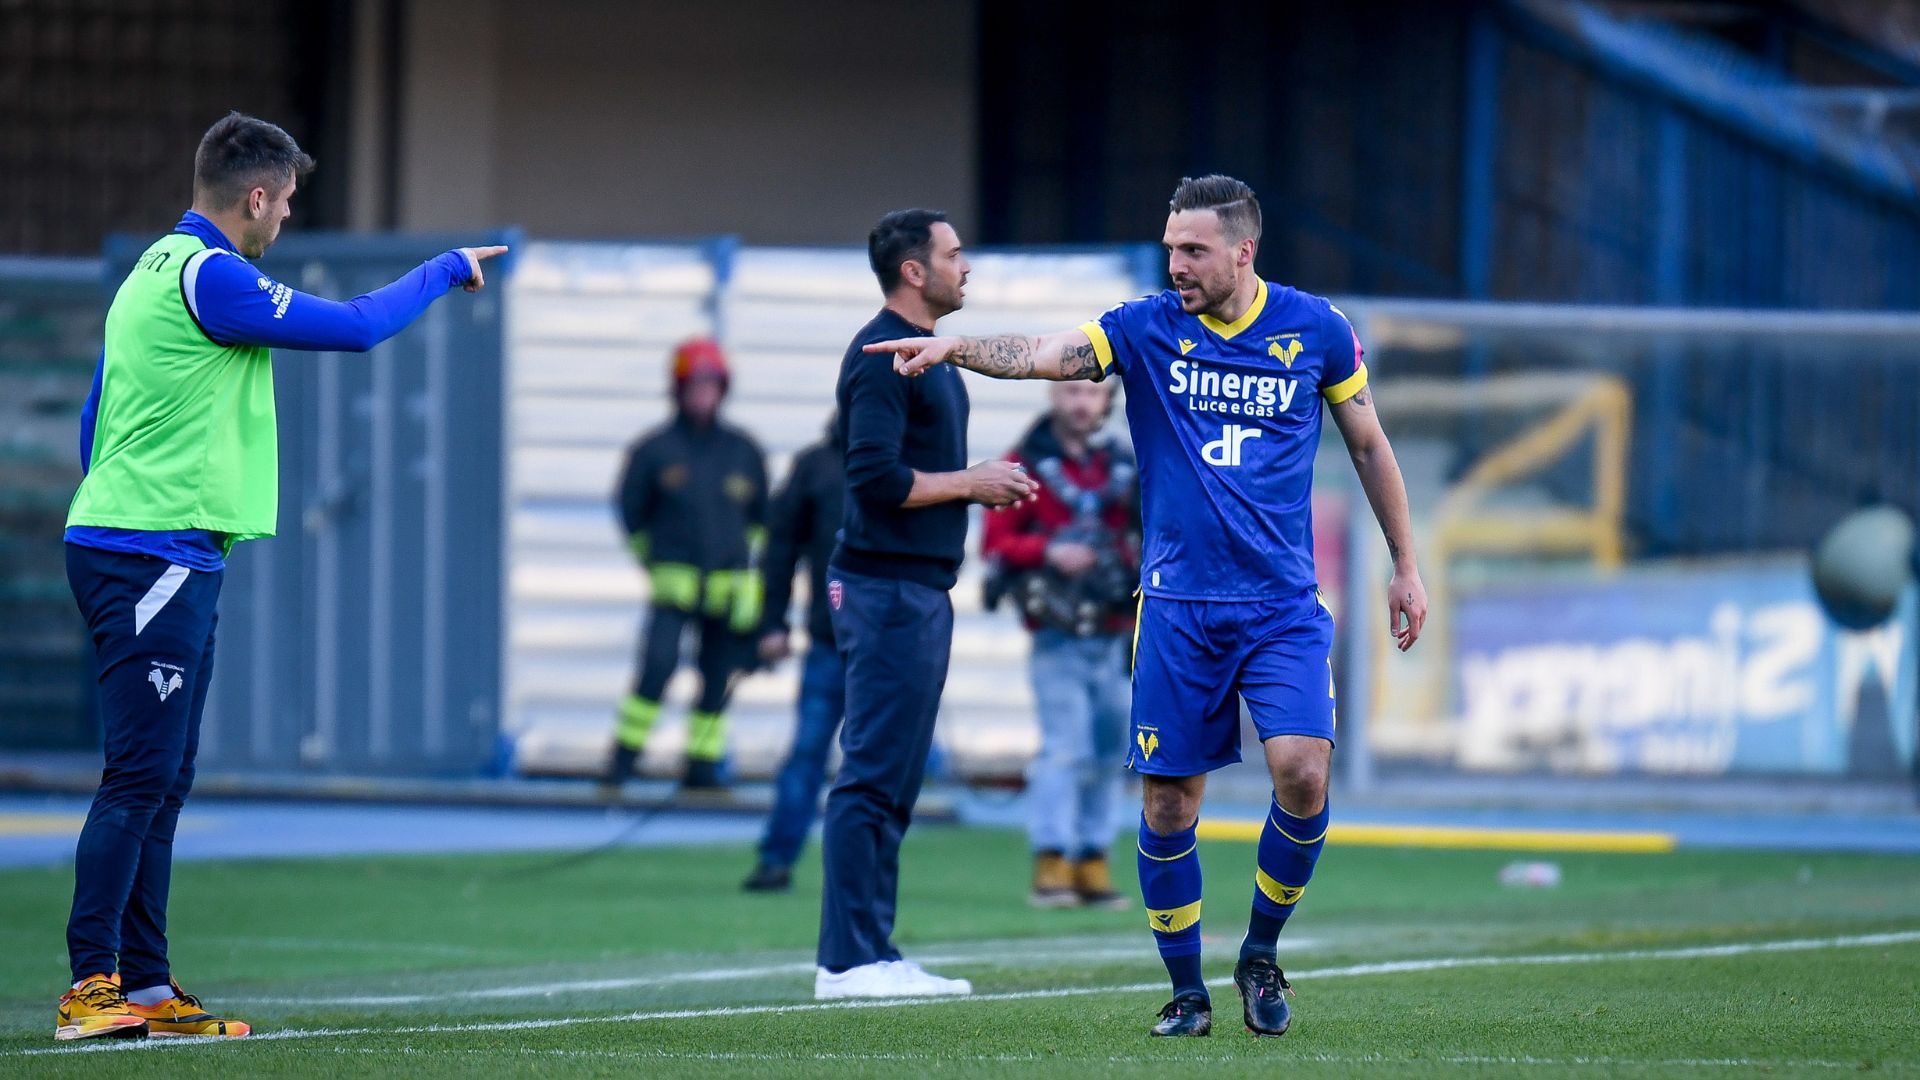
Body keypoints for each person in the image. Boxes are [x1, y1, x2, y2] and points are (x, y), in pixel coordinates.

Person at [864, 175, 1429, 1038]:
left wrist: (1405, 565)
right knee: (1170, 804)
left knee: (1304, 772)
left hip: (1280, 606)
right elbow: (1052, 353)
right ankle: (1187, 989)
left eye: (1194, 250)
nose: (1177, 265)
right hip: (1176, 610)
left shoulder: (1317, 330)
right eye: (1170, 248)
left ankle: (1260, 954)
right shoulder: (1146, 326)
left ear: (1245, 251)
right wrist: (958, 347)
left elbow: (1368, 442)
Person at [57, 112, 505, 1042]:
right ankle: (89, 986)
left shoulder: (151, 268)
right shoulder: (213, 275)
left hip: (156, 544)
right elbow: (352, 329)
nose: (288, 218)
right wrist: (442, 268)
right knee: (139, 776)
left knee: (164, 777)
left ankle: (144, 986)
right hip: (151, 549)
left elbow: (97, 411)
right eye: (288, 201)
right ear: (255, 197)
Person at [813, 209, 1037, 1000]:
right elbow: (872, 477)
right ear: (915, 271)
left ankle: (873, 948)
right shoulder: (883, 357)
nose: (966, 266)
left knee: (897, 778)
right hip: (883, 590)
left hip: (917, 590)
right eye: (953, 254)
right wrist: (971, 482)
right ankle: (845, 962)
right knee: (872, 774)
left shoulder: (935, 357)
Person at [980, 382, 1139, 910]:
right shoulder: (1022, 463)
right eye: (1070, 392)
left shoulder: (1124, 462)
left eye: (1091, 394)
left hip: (1116, 631)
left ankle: (1091, 859)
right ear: (1053, 395)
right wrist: (1050, 550)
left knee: (1112, 751)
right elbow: (995, 544)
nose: (1080, 403)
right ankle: (1052, 861)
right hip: (1056, 631)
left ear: (1107, 401)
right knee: (1064, 749)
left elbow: (1153, 532)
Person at [606, 338, 768, 791]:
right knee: (656, 668)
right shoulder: (654, 451)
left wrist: (749, 585)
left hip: (725, 595)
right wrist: (654, 565)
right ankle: (621, 764)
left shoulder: (744, 451)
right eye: (695, 384)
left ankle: (702, 770)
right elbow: (630, 514)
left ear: (723, 389)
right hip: (673, 592)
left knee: (716, 680)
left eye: (711, 384)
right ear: (678, 389)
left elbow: (761, 524)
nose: (703, 393)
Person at [741, 421, 846, 892]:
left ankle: (865, 873)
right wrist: (773, 622)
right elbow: (779, 547)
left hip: (891, 646)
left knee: (882, 765)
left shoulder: (913, 457)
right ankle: (778, 858)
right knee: (807, 753)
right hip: (830, 638)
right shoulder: (817, 467)